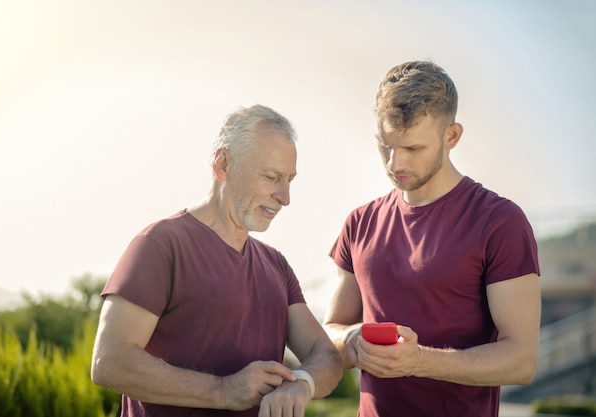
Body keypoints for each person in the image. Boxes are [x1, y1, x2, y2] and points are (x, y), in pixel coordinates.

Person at [91, 104, 343, 417]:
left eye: (289, 179)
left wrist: (303, 382)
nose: (285, 196)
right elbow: (109, 362)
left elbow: (326, 357)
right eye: (271, 177)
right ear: (223, 163)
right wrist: (222, 390)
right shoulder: (160, 245)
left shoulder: (276, 265)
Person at [323, 61, 541, 417]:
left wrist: (419, 360)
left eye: (413, 148)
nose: (394, 163)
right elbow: (330, 332)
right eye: (385, 146)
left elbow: (521, 360)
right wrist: (350, 341)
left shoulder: (500, 222)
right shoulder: (359, 223)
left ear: (452, 136)